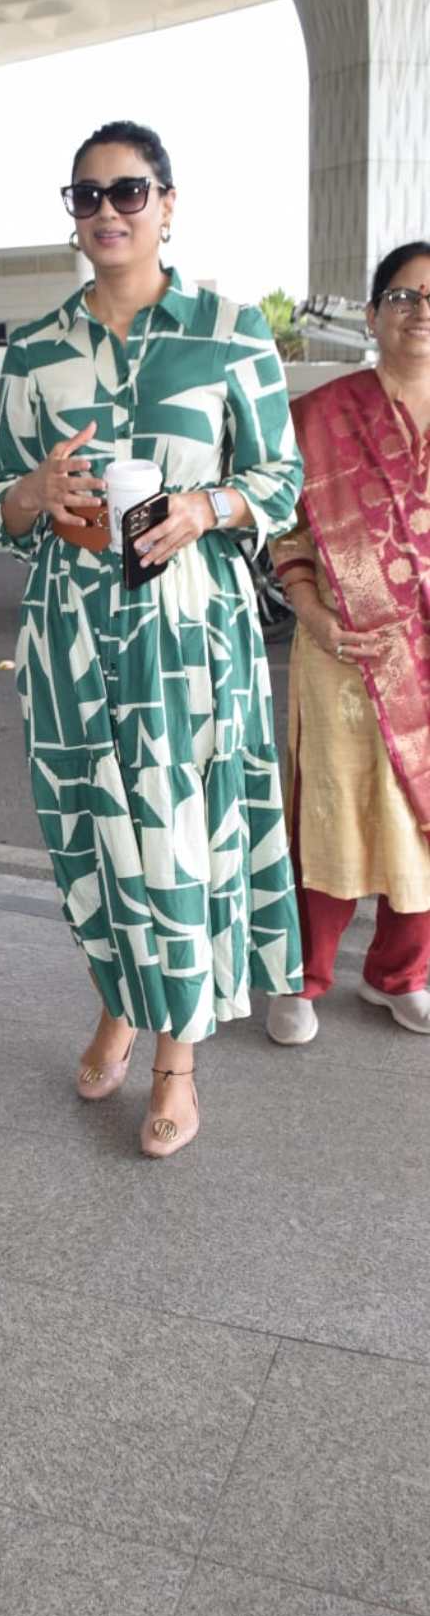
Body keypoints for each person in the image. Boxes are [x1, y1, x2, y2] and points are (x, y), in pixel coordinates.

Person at [0, 119, 304, 1156]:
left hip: (190, 640)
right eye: (86, 196)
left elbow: (281, 483)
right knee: (88, 839)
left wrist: (206, 508)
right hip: (70, 638)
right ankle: (118, 999)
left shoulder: (231, 328)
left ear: (169, 203)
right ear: (71, 216)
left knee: (173, 844)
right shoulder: (33, 351)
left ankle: (176, 1060)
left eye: (129, 191)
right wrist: (31, 492)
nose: (108, 212)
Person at [267, 241, 430, 1044]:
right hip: (339, 649)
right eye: (403, 297)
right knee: (329, 810)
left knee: (422, 815)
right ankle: (303, 977)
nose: (421, 311)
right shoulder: (320, 416)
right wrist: (311, 609)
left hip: (426, 662)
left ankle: (400, 974)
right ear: (371, 316)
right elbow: (287, 531)